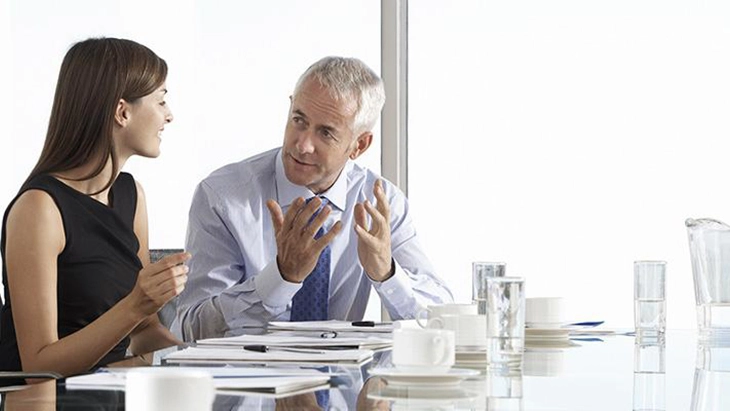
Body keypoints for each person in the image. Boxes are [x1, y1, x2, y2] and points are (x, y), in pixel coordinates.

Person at [173, 56, 452, 341]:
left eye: (326, 132)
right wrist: (281, 278)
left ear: (359, 145)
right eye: (299, 120)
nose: (303, 145)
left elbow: (442, 324)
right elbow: (191, 330)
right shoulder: (223, 197)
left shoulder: (380, 203)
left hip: (346, 382)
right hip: (246, 381)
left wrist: (387, 274)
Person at [0, 37, 190, 380]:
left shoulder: (132, 196)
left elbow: (146, 331)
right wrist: (136, 304)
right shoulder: (39, 210)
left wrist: (197, 363)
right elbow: (38, 368)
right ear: (122, 112)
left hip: (115, 394)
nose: (169, 115)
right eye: (161, 101)